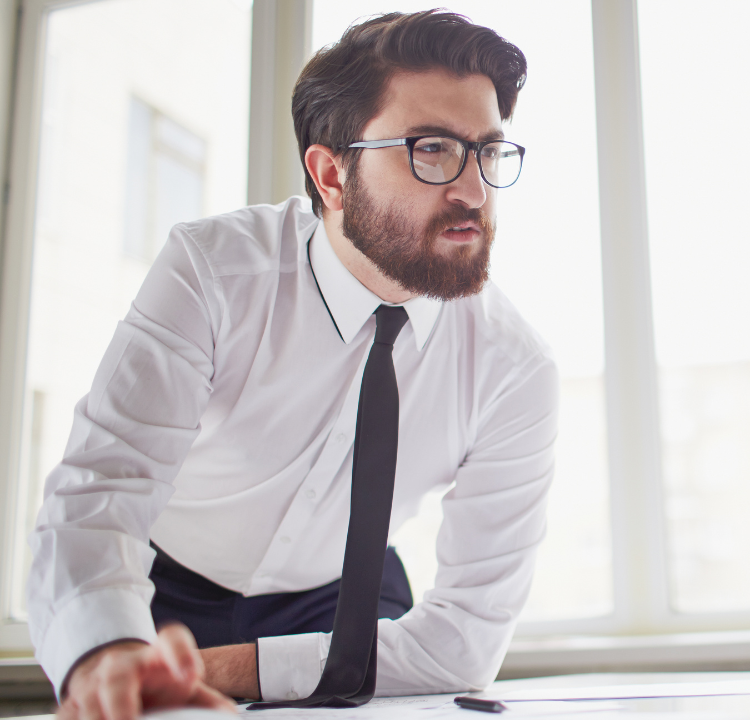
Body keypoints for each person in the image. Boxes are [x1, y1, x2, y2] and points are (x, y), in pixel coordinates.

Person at [27, 10, 557, 720]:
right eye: (432, 149)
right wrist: (110, 654)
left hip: (349, 604)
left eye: (488, 151)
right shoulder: (213, 272)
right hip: (162, 595)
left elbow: (462, 643)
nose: (473, 191)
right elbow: (99, 494)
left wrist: (228, 672)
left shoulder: (514, 369)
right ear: (331, 174)